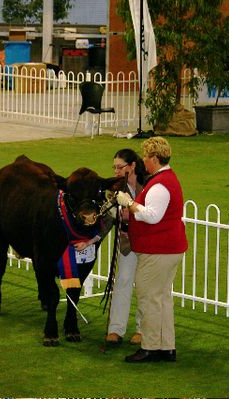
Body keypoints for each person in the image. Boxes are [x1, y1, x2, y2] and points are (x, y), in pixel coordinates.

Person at [116, 136, 188, 363]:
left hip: (158, 251)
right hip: (169, 249)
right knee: (162, 299)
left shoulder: (159, 185)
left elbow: (152, 216)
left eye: (146, 157)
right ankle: (166, 346)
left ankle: (149, 347)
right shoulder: (168, 179)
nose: (144, 161)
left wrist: (128, 203)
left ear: (155, 159)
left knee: (149, 299)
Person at [104, 148, 148, 346]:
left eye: (120, 167)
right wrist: (92, 239)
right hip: (127, 243)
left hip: (148, 242)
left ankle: (143, 329)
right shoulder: (114, 189)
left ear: (132, 166)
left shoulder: (149, 185)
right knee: (122, 281)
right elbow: (107, 218)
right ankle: (115, 329)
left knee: (145, 286)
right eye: (114, 167)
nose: (116, 172)